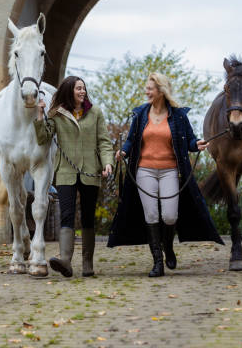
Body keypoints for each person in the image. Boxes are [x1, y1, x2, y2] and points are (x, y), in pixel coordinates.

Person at [108, 72, 224, 277]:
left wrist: (196, 145)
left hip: (170, 170)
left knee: (170, 215)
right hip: (145, 170)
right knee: (151, 214)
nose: (146, 91)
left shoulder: (178, 115)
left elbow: (189, 140)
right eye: (147, 88)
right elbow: (131, 140)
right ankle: (157, 262)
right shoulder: (141, 114)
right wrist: (123, 151)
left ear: (161, 91)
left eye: (150, 88)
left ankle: (168, 246)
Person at [34, 76, 114, 277]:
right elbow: (43, 137)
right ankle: (66, 261)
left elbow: (104, 141)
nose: (82, 91)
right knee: (67, 215)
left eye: (84, 88)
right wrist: (40, 114)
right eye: (78, 88)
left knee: (88, 217)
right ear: (70, 90)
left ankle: (87, 264)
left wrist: (107, 162)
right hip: (66, 172)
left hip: (90, 170)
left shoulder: (95, 112)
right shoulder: (57, 114)